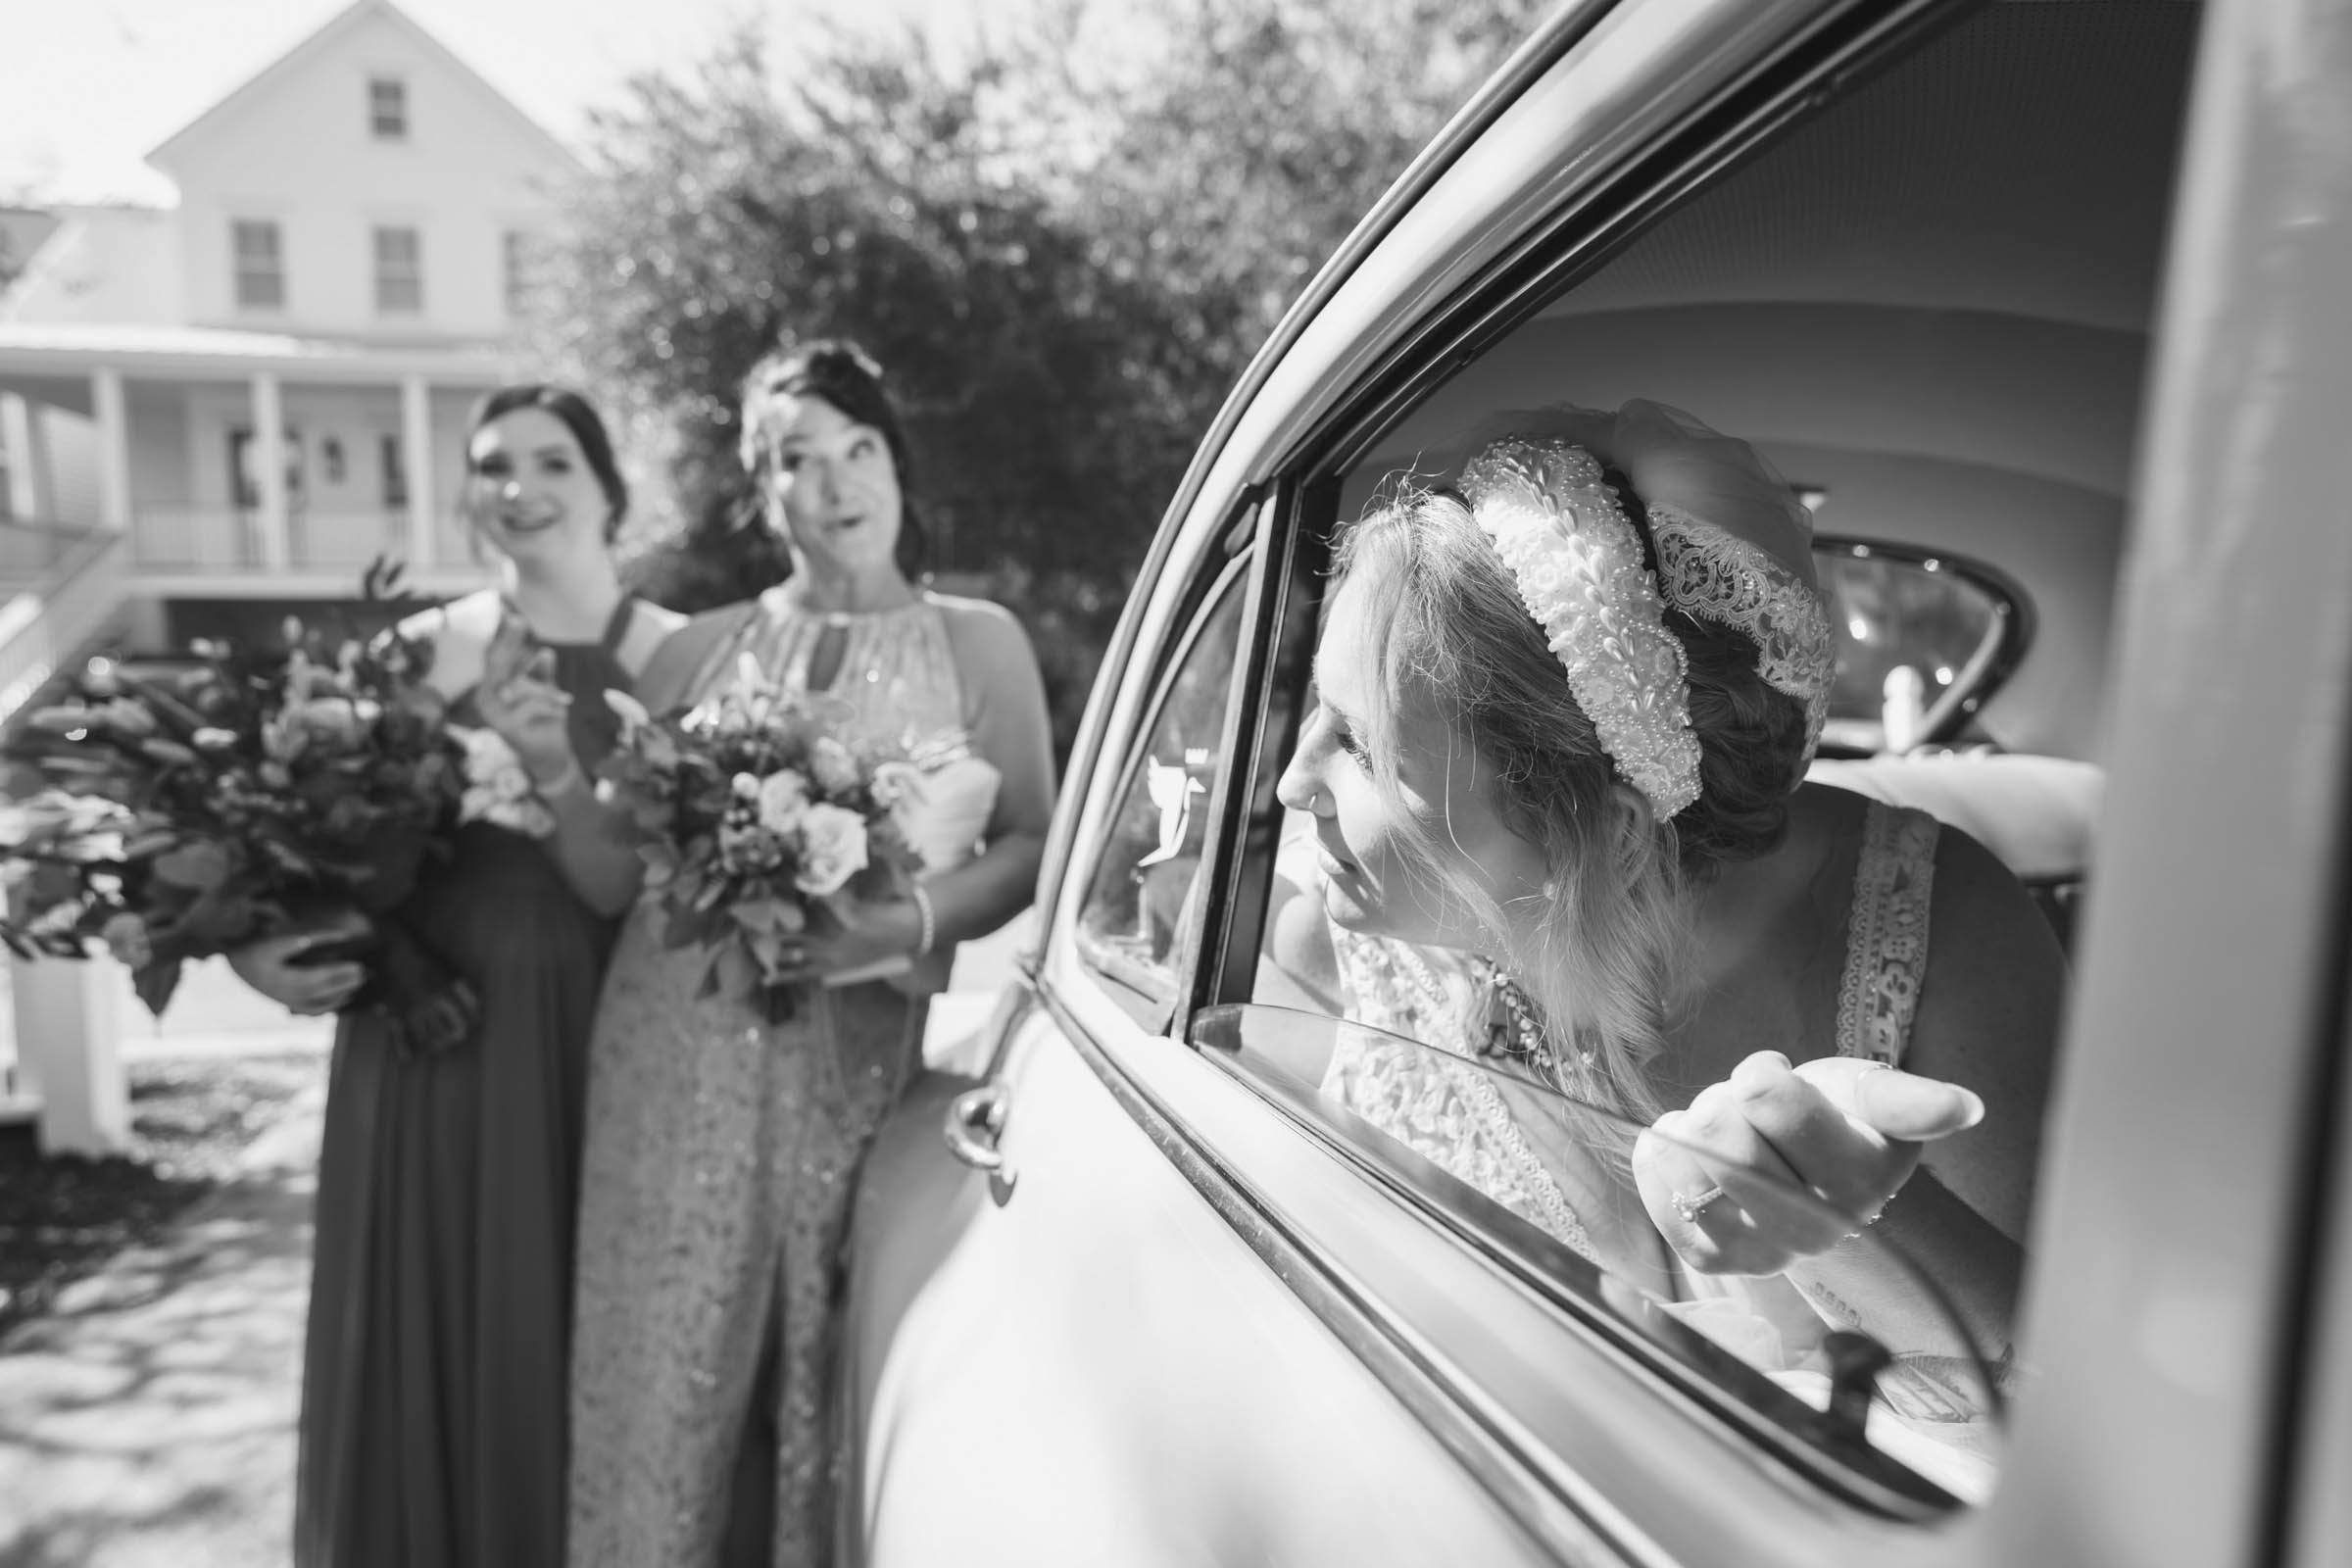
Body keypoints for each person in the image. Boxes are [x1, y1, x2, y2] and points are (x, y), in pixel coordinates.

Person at [1270, 400, 2063, 1426]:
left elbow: (2075, 1407)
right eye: (1315, 719)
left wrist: (1847, 1215)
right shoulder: (1322, 949)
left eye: (1363, 749)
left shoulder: (1945, 928)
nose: (1293, 784)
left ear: (1597, 829)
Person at [567, 339, 1056, 1566]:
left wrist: (910, 924)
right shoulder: (695, 651)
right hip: (674, 1048)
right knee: (662, 1347)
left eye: (858, 447)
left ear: (896, 460)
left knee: (831, 1358)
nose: (834, 482)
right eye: (796, 458)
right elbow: (628, 867)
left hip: (856, 1055)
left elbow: (1032, 842)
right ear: (760, 485)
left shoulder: (977, 640)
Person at [229, 384, 682, 1566]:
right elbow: (278, 843)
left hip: (599, 1039)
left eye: (550, 461)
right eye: (490, 466)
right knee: (426, 1318)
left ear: (608, 486)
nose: (517, 487)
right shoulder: (416, 652)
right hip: (423, 1042)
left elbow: (630, 888)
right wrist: (265, 948)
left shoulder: (677, 653)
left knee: (574, 1319)